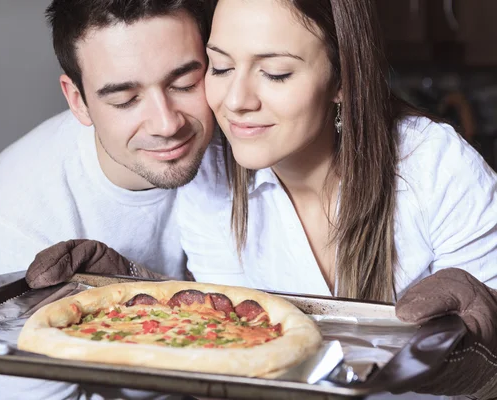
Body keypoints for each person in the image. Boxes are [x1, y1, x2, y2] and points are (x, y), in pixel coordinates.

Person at [175, 0, 497, 398]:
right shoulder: (211, 178)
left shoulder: (435, 165)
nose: (236, 100)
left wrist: (479, 350)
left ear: (342, 79)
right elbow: (239, 359)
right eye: (221, 67)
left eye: (275, 74)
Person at [0, 0, 215, 399]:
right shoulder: (13, 213)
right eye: (124, 100)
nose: (167, 124)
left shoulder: (252, 141)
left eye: (185, 84)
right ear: (77, 99)